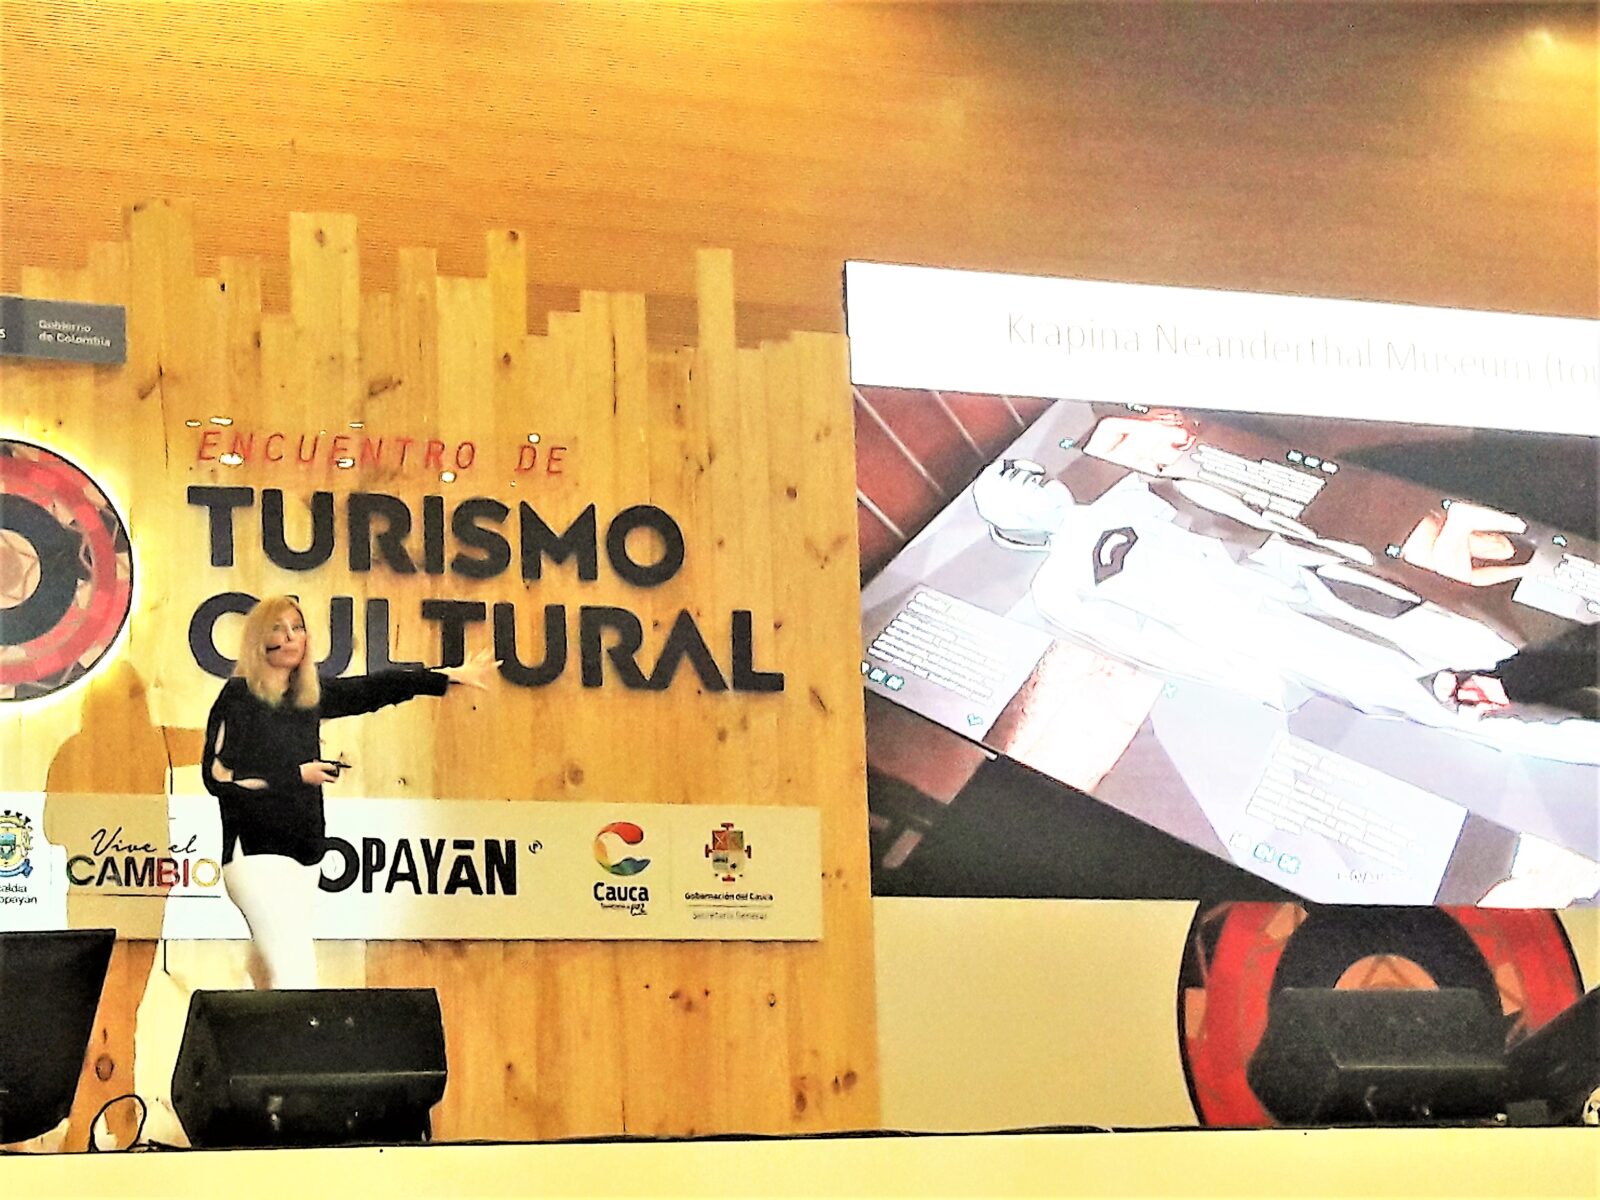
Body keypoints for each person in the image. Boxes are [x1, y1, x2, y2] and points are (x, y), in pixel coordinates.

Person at [201, 595, 497, 988]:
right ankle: (299, 1031)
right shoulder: (239, 697)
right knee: (295, 973)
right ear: (259, 639)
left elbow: (373, 689)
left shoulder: (306, 697)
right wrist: (295, 774)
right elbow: (217, 775)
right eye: (278, 628)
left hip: (304, 855)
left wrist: (446, 677)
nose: (290, 637)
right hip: (255, 854)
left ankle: (251, 1027)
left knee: (271, 974)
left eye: (297, 627)